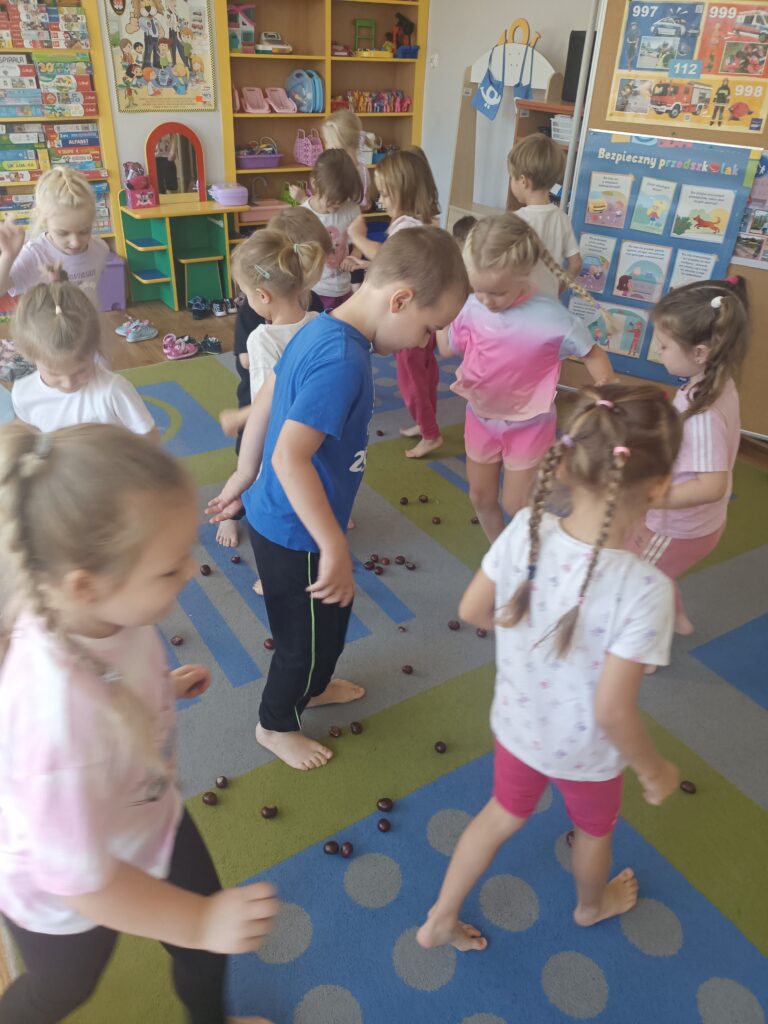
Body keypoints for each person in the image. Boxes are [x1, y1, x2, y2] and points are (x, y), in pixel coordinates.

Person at [0, 423, 279, 1024]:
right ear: (86, 584)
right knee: (62, 990)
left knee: (204, 951)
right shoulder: (56, 721)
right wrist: (199, 922)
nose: (190, 572)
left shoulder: (102, 613)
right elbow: (85, 883)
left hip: (147, 816)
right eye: (168, 568)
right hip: (63, 885)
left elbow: (107, 682)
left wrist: (158, 691)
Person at [417, 383, 683, 954]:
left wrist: (528, 635)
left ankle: (440, 916)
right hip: (587, 754)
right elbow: (612, 711)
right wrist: (654, 767)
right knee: (593, 831)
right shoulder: (646, 589)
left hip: (519, 725)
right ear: (660, 487)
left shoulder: (524, 531)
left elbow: (472, 610)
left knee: (499, 816)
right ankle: (591, 906)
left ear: (564, 464)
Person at [206, 227, 469, 771]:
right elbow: (290, 458)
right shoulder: (342, 361)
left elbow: (269, 395)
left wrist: (242, 473)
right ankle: (274, 725)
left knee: (330, 619)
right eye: (429, 328)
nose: (426, 343)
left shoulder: (319, 326)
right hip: (294, 530)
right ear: (400, 300)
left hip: (292, 518)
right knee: (301, 643)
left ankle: (315, 685)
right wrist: (332, 545)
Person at [438, 213, 614, 541]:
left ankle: (535, 548)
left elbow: (592, 353)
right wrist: (442, 313)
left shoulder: (553, 317)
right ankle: (501, 554)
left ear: (524, 274)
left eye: (497, 292)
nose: (486, 300)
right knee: (481, 497)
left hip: (529, 424)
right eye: (478, 289)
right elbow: (448, 348)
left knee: (516, 504)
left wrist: (605, 393)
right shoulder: (471, 306)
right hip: (481, 416)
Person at [629, 276, 748, 644]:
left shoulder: (704, 412)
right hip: (687, 521)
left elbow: (712, 485)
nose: (658, 350)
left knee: (636, 580)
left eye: (664, 345)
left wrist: (651, 497)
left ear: (699, 352)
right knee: (654, 572)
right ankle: (677, 618)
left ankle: (643, 651)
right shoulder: (714, 382)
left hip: (678, 526)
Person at [220, 209, 332, 551]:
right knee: (310, 470)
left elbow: (266, 403)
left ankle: (247, 520)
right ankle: (237, 513)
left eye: (246, 294)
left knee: (260, 481)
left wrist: (240, 417)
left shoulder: (263, 338)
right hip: (312, 419)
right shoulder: (319, 320)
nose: (246, 301)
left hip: (274, 426)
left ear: (263, 295)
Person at [349, 150, 444, 457]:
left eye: (387, 194)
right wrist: (366, 265)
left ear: (405, 191)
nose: (382, 201)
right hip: (426, 313)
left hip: (410, 320)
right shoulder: (424, 223)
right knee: (426, 373)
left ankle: (430, 434)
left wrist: (358, 239)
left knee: (411, 378)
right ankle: (426, 422)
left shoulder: (405, 227)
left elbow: (388, 256)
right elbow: (405, 268)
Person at [10, 281, 158, 439]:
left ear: (94, 350)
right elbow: (28, 433)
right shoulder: (24, 393)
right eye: (54, 374)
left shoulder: (113, 391)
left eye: (80, 371)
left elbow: (149, 437)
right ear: (31, 356)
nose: (68, 383)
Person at [0, 166, 109, 308]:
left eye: (84, 231)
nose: (75, 242)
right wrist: (8, 256)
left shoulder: (100, 249)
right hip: (46, 323)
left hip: (86, 321)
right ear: (44, 221)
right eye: (63, 233)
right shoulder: (35, 254)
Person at [507, 134, 583, 298]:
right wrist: (556, 292)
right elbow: (576, 264)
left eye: (511, 177)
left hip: (521, 304)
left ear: (523, 181)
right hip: (548, 305)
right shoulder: (562, 218)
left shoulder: (515, 220)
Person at [300, 149, 362, 311]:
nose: (337, 205)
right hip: (315, 292)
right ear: (315, 184)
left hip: (344, 288)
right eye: (332, 201)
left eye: (342, 200)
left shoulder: (351, 209)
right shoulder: (304, 215)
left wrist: (355, 256)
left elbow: (359, 241)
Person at [291, 108, 371, 211]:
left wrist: (303, 199)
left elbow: (325, 209)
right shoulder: (363, 170)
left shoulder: (339, 172)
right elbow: (364, 205)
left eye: (327, 142)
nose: (325, 147)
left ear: (339, 146)